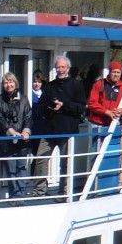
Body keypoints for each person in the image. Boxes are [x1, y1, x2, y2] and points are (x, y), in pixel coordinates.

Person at [29, 56, 87, 194]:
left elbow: (81, 107)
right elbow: (40, 106)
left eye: (62, 67)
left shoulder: (76, 85)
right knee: (40, 160)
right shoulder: (49, 86)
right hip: (49, 130)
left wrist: (64, 105)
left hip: (68, 130)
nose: (60, 70)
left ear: (68, 68)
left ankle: (64, 192)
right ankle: (40, 191)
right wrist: (50, 106)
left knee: (66, 163)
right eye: (58, 67)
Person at [0, 71, 31, 200]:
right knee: (11, 168)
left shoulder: (24, 99)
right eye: (6, 82)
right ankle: (14, 195)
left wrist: (26, 131)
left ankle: (20, 195)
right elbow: (0, 119)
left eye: (11, 82)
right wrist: (10, 131)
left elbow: (28, 116)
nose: (9, 85)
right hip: (6, 141)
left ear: (15, 83)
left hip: (22, 140)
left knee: (21, 167)